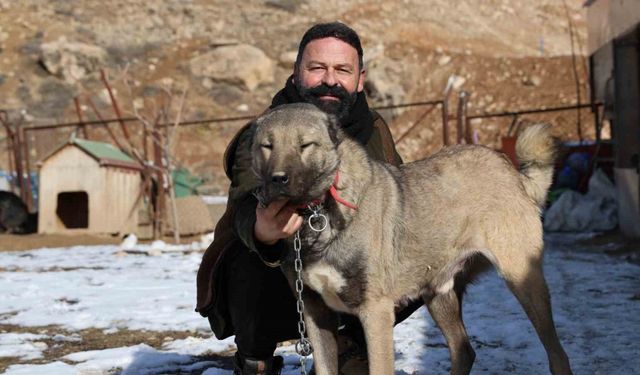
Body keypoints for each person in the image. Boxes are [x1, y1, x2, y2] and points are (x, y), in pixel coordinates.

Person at [196, 22, 419, 375]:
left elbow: (400, 195)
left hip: (352, 273)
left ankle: (349, 343)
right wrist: (260, 231)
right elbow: (242, 200)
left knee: (417, 250)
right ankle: (256, 358)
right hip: (281, 284)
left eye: (342, 70)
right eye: (317, 68)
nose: (329, 79)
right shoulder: (265, 131)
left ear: (360, 79)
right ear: (298, 72)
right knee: (252, 257)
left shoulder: (374, 129)